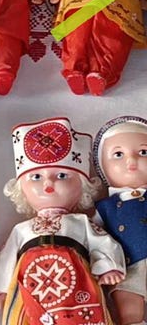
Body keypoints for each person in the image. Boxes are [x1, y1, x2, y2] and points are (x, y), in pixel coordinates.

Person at [0, 117, 125, 325]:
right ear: (21, 189)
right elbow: (7, 257)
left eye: (62, 175)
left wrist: (108, 267)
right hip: (30, 283)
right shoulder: (22, 230)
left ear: (82, 186)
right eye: (36, 177)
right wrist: (1, 288)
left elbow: (102, 242)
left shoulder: (81, 222)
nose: (48, 183)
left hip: (76, 283)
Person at [93, 116, 147, 325]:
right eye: (118, 154)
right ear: (103, 167)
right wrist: (103, 265)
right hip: (126, 268)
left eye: (143, 152)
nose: (131, 161)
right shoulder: (104, 207)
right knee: (129, 313)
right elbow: (93, 240)